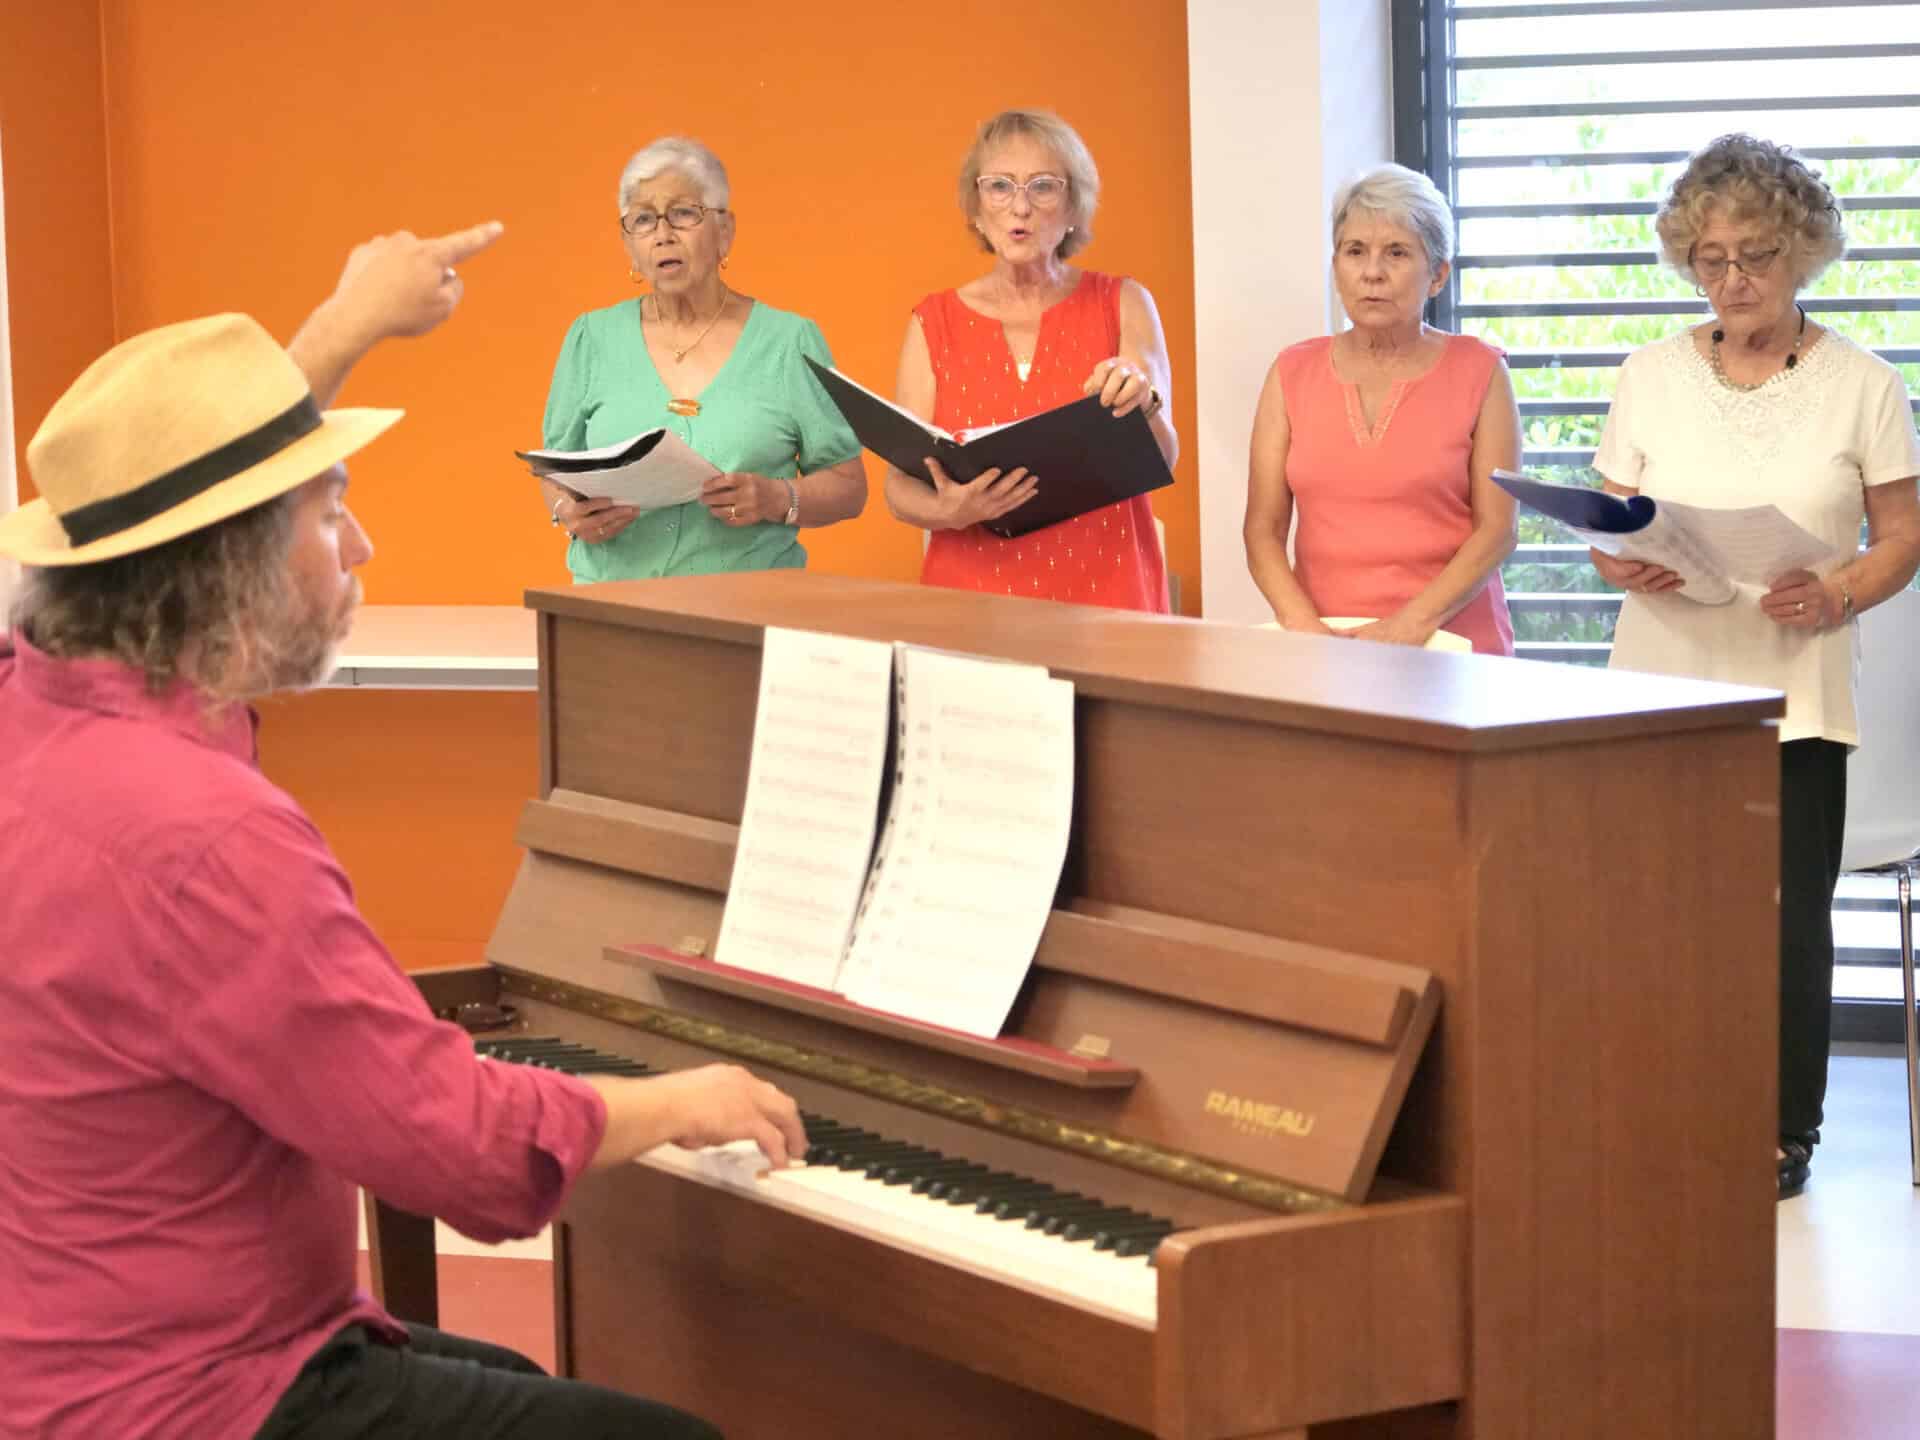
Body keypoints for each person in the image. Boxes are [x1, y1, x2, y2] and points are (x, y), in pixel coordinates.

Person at [0, 224, 807, 1440]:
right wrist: (673, 1101)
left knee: (518, 1389)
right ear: (232, 571)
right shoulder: (207, 839)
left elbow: (182, 489)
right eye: (332, 514)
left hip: (69, 1347)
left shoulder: (34, 709)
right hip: (190, 1392)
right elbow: (456, 1152)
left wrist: (345, 326)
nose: (363, 545)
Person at [1588, 134, 1920, 1199]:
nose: (1732, 280)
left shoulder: (1863, 383)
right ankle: (1662, 1101)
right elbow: (1606, 526)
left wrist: (1838, 592)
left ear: (1807, 252)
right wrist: (1622, 558)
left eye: (1757, 256)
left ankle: (1783, 1128)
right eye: (1711, 258)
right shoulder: (1647, 375)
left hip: (1795, 690)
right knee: (1657, 907)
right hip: (1662, 684)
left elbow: (1902, 538)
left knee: (1782, 914)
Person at [883, 108, 1178, 612]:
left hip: (1105, 599)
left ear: (1071, 209)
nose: (1020, 207)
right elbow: (897, 488)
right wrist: (949, 510)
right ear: (975, 207)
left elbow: (1163, 456)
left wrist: (1142, 402)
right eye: (999, 186)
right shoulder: (933, 321)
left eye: (1043, 187)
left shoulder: (1124, 301)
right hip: (969, 604)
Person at [540, 136, 865, 579]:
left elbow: (849, 488)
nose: (663, 235)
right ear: (628, 243)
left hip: (750, 614)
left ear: (724, 232)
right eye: (643, 220)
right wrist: (567, 512)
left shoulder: (791, 341)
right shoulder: (590, 338)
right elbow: (556, 469)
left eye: (683, 213)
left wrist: (777, 497)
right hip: (610, 610)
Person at [1244, 163, 1521, 653]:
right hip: (1325, 643)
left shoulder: (1481, 370)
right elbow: (1262, 531)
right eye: (1355, 252)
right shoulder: (1291, 372)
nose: (1372, 271)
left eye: (1396, 252)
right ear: (1336, 266)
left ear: (1437, 275)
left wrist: (1410, 626)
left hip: (1452, 645)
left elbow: (1497, 530)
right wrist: (1305, 630)